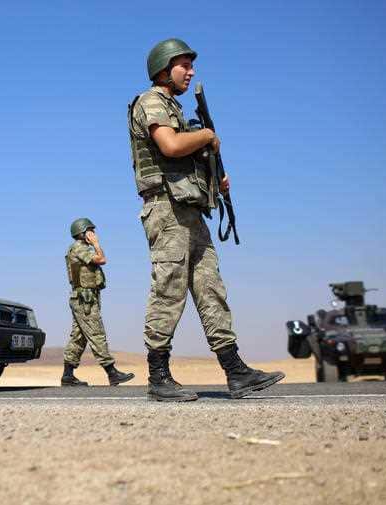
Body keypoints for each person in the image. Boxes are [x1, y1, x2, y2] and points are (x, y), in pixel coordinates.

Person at [128, 39, 284, 401]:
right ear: (164, 69)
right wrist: (208, 136)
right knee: (169, 288)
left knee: (210, 288)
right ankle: (159, 376)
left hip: (190, 212)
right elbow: (169, 146)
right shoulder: (151, 101)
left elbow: (183, 161)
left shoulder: (175, 109)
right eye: (184, 65)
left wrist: (214, 178)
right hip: (166, 211)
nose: (191, 71)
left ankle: (235, 370)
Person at [61, 218, 134, 387]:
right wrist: (96, 243)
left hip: (85, 297)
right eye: (89, 231)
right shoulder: (80, 248)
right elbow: (101, 259)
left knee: (78, 337)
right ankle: (112, 372)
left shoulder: (81, 248)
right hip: (84, 299)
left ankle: (67, 375)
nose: (93, 234)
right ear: (81, 232)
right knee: (96, 333)